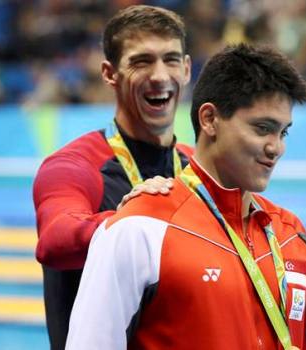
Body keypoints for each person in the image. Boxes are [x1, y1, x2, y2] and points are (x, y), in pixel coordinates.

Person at [66, 43, 306, 350]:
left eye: (282, 132)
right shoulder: (140, 229)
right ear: (209, 119)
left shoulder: (289, 235)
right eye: (262, 129)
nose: (276, 148)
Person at [32, 5, 192, 350]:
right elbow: (55, 243)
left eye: (171, 59)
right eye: (141, 61)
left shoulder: (199, 170)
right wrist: (132, 220)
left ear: (188, 69)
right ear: (109, 74)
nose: (160, 75)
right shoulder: (74, 165)